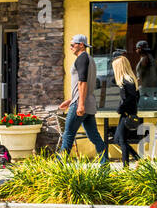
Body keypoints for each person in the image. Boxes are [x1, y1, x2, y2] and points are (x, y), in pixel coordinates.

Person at [58, 34, 109, 164]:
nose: (70, 47)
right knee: (95, 137)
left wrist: (80, 104)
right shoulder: (90, 59)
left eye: (72, 44)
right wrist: (70, 100)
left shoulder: (82, 58)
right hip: (88, 103)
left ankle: (58, 166)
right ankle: (105, 166)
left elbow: (83, 83)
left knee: (68, 135)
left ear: (81, 45)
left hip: (81, 104)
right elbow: (82, 85)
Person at [110, 51, 142, 168]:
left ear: (119, 68)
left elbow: (132, 98)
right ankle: (137, 158)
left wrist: (121, 108)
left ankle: (126, 167)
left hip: (127, 113)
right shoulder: (128, 80)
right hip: (127, 113)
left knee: (121, 140)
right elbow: (136, 96)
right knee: (118, 139)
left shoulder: (127, 81)